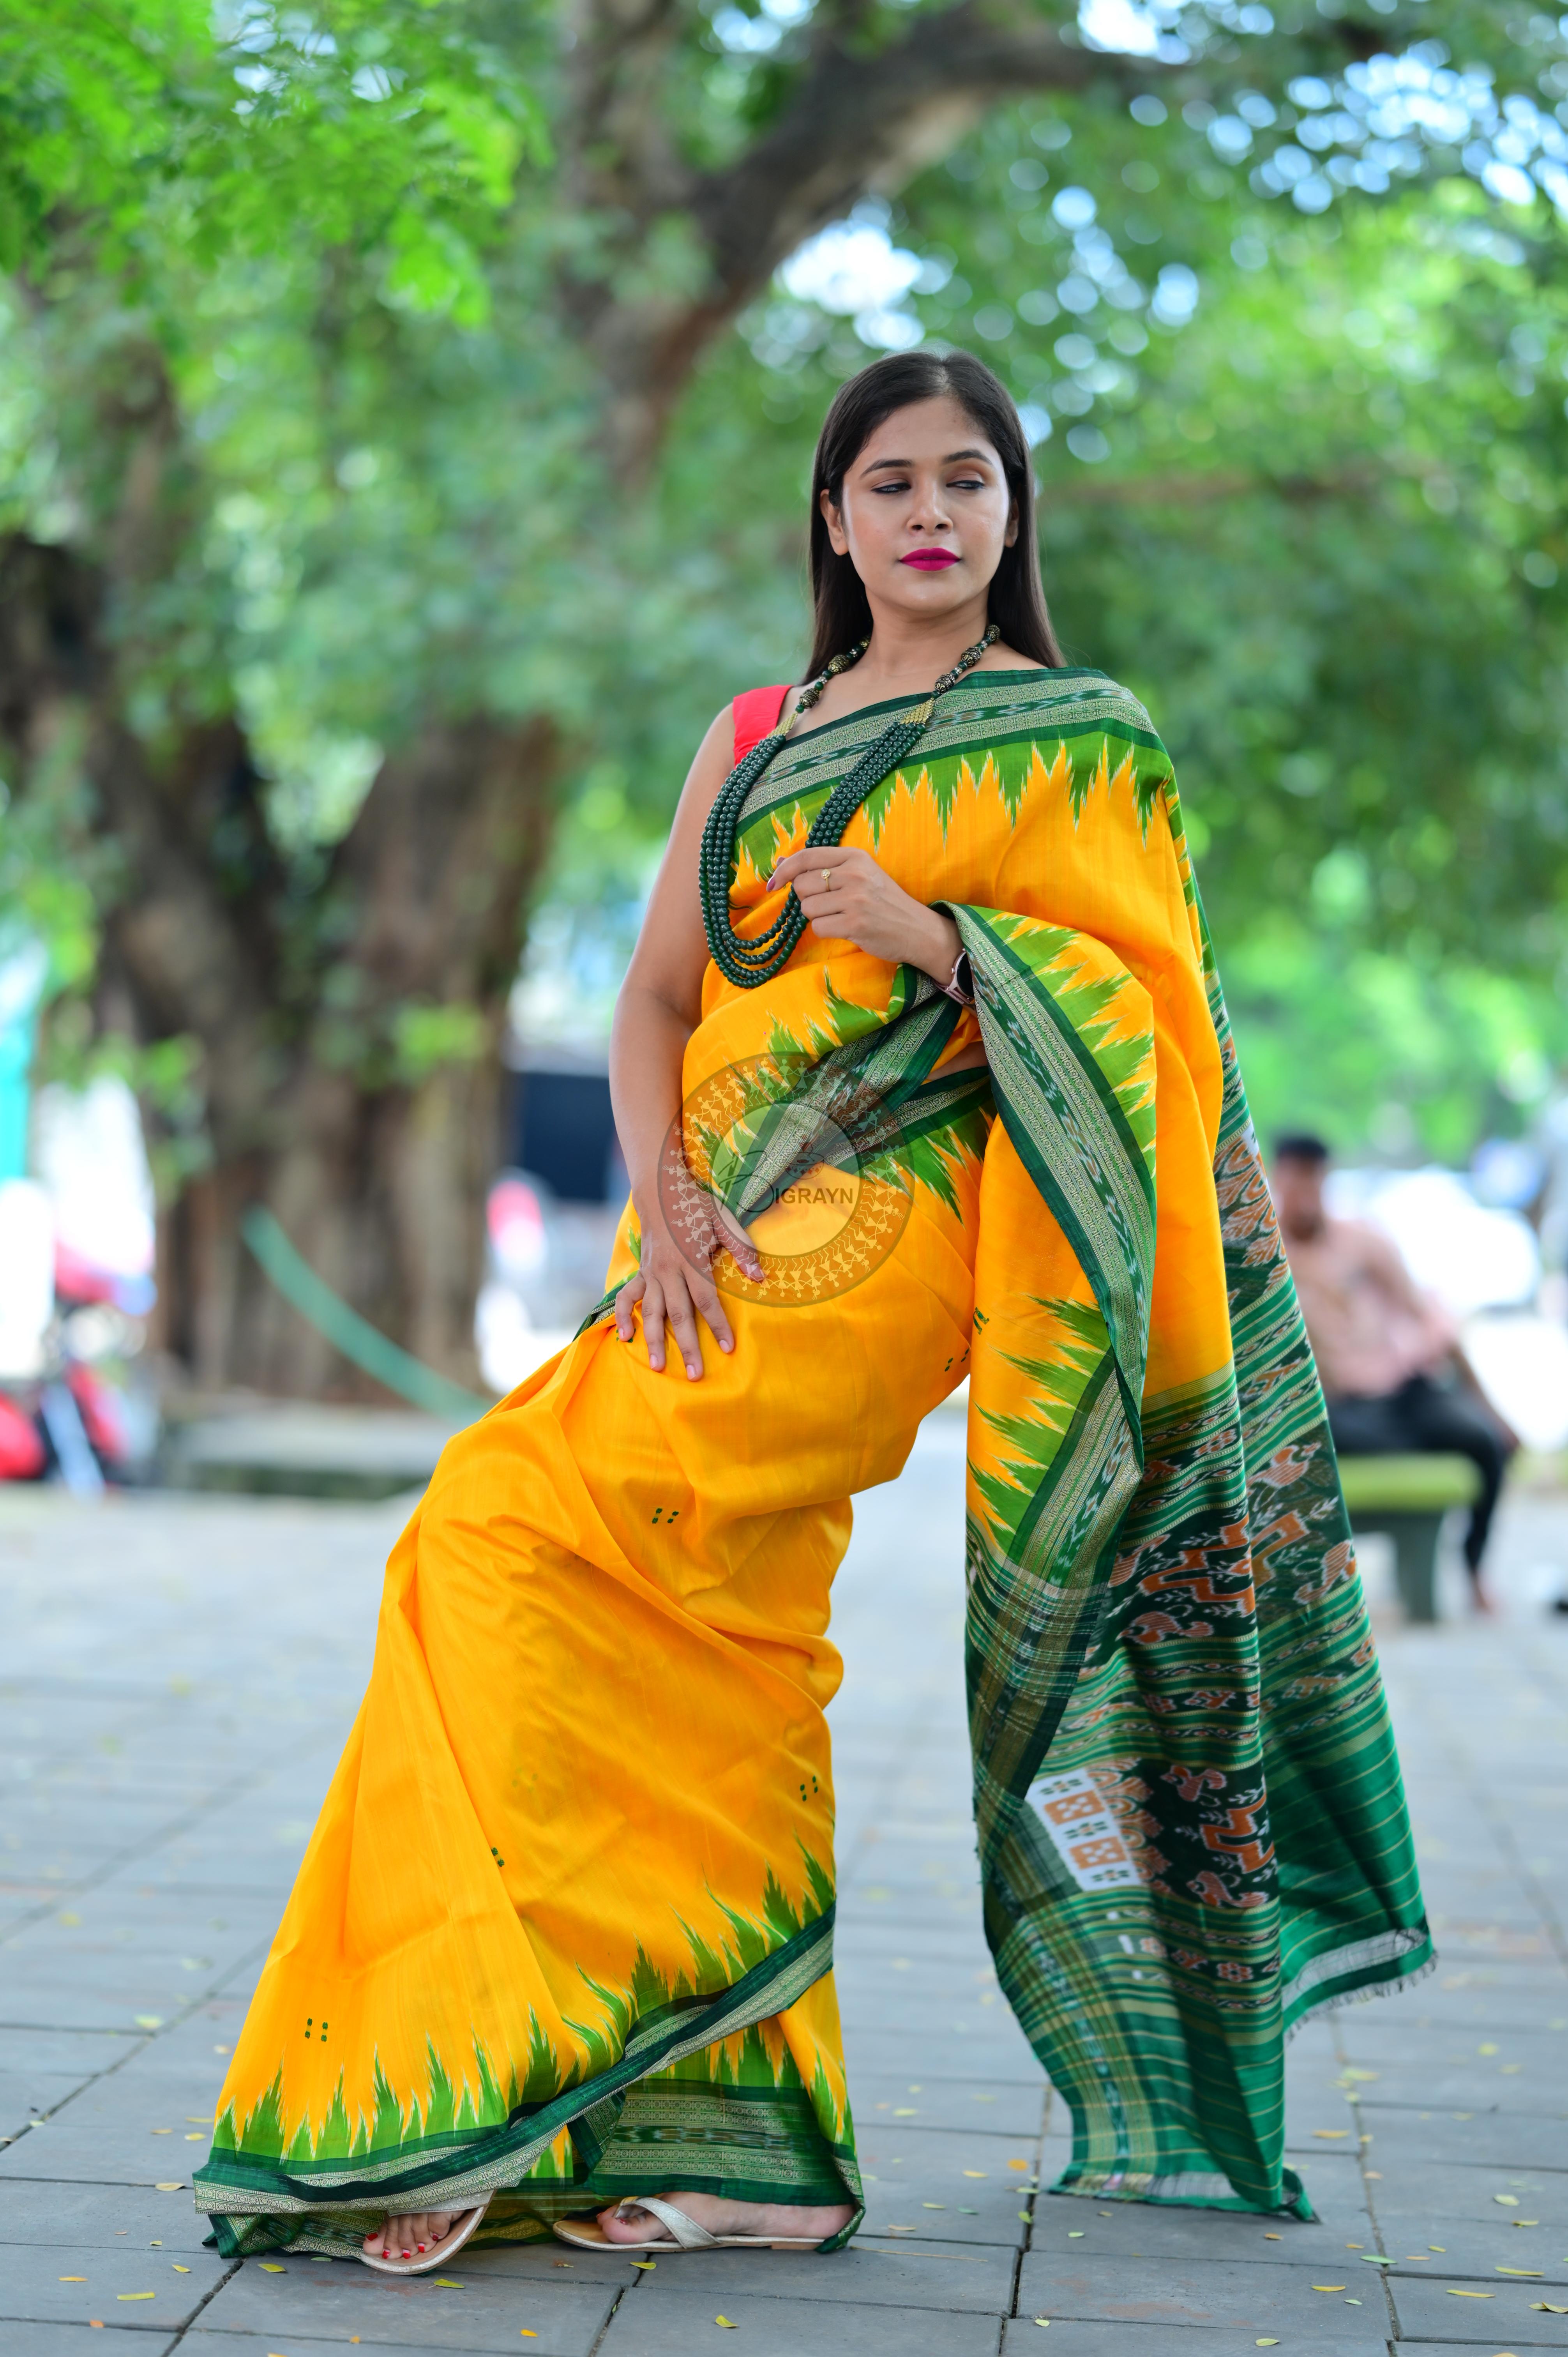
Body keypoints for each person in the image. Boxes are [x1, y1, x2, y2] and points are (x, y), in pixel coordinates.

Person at [194, 352, 1432, 2272]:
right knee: (710, 1630)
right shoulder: (756, 731)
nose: (931, 512)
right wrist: (669, 1204)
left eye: (967, 479)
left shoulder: (1078, 740)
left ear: (1012, 514)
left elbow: (1158, 1034)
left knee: (492, 1533)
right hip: (698, 1242)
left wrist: (938, 942)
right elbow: (653, 998)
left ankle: (479, 2072)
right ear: (833, 520)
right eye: (891, 482)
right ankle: (738, 2152)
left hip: (896, 1244)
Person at [1271, 1131, 1517, 1604]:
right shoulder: (1265, 1259)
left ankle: (1474, 1569)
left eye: (1313, 1180)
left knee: (1482, 1439)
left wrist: (1491, 1411)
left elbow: (1428, 1318)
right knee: (1330, 1438)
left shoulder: (1363, 1241)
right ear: (1278, 1179)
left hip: (1403, 1389)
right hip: (1336, 1405)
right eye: (1295, 1180)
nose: (1305, 1194)